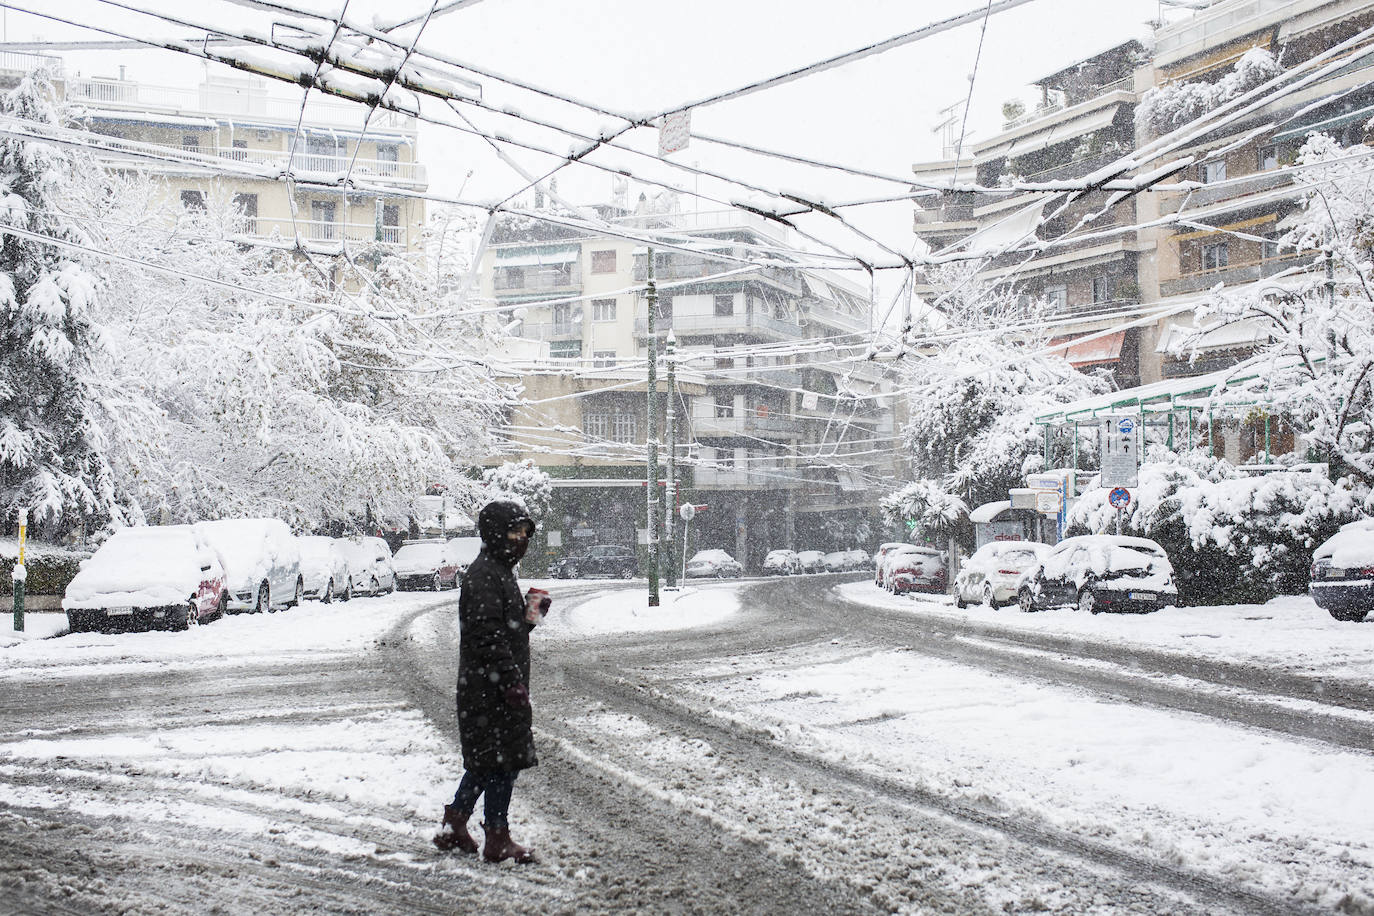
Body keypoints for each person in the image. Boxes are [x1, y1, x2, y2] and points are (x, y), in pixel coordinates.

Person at [434, 499, 542, 864]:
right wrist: (510, 682)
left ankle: (456, 822)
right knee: (501, 763)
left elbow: (506, 632)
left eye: (525, 533)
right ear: (496, 534)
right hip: (491, 689)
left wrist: (530, 614)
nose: (520, 540)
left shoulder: (497, 571)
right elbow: (488, 636)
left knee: (486, 762)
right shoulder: (484, 576)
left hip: (489, 686)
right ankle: (497, 837)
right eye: (514, 532)